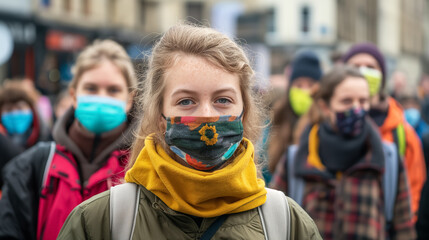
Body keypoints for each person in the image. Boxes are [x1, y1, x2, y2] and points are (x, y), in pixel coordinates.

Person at [58, 24, 321, 239]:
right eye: (186, 101)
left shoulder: (287, 224)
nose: (206, 114)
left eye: (223, 100)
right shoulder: (100, 222)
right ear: (159, 116)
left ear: (245, 111)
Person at [0, 39, 137, 240]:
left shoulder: (143, 167)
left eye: (113, 90)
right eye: (91, 88)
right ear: (73, 95)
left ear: (130, 99)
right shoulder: (32, 168)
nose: (101, 97)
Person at [271, 65, 415, 239]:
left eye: (363, 101)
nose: (356, 109)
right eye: (346, 101)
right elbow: (274, 226)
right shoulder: (297, 159)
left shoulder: (388, 159)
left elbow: (404, 231)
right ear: (325, 106)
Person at [342, 43, 426, 220]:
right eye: (355, 67)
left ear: (382, 75)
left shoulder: (402, 132)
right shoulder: (323, 127)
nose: (362, 72)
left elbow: (415, 189)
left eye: (370, 67)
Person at [267, 51, 322, 181]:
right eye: (298, 85)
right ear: (290, 88)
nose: (304, 90)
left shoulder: (326, 125)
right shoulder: (275, 121)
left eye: (310, 85)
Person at [0, 84, 51, 188]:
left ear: (32, 110)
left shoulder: (49, 141)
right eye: (9, 110)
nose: (15, 113)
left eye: (20, 108)